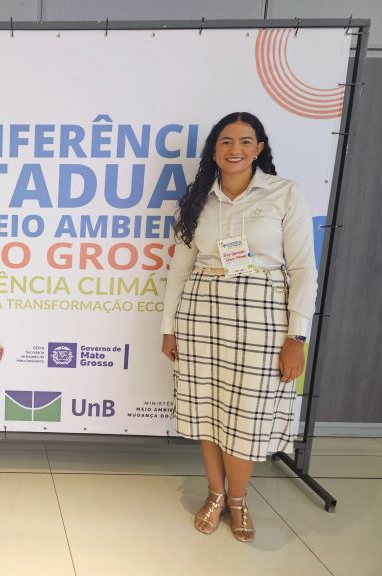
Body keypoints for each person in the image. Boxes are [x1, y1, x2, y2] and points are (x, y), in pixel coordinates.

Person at [161, 112, 317, 542]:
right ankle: (215, 494)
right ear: (214, 150)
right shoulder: (198, 200)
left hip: (263, 319)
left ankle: (238, 499)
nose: (235, 149)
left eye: (245, 141)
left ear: (259, 148)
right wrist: (169, 327)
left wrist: (297, 337)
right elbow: (180, 269)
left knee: (246, 415)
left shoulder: (285, 193)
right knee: (207, 409)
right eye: (226, 141)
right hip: (201, 314)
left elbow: (303, 269)